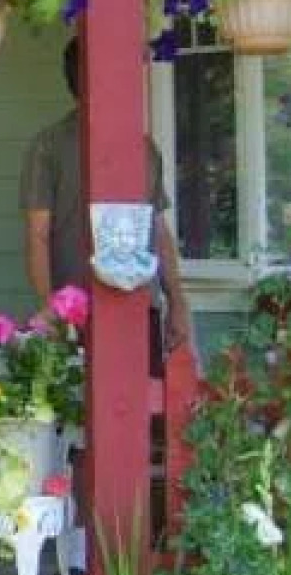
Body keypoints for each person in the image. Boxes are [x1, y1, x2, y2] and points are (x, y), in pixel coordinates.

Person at [19, 36, 192, 358]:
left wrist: (177, 304)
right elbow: (37, 234)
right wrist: (49, 307)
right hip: (76, 311)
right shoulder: (51, 146)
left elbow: (158, 230)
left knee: (144, 404)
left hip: (141, 307)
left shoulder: (143, 148)